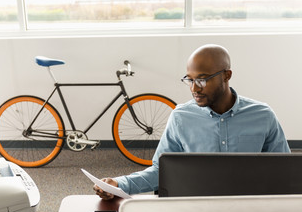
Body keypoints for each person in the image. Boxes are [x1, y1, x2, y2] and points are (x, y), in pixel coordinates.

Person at [93, 44, 291, 200]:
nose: (194, 88)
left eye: (203, 79)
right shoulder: (181, 117)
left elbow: (286, 173)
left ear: (226, 75)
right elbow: (161, 171)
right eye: (190, 80)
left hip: (251, 209)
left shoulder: (263, 116)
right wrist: (119, 184)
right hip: (196, 210)